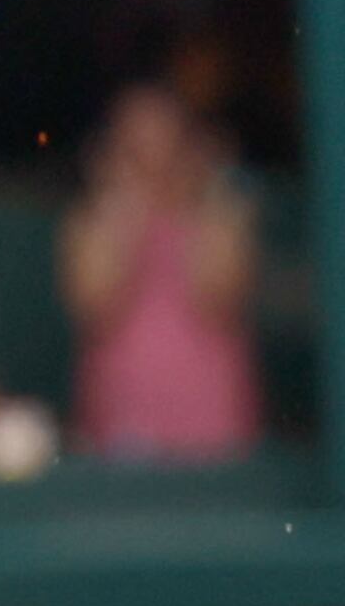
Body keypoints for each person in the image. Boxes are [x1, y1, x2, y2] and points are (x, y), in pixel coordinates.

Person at [60, 80, 259, 464]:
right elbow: (96, 308)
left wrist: (202, 203)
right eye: (136, 146)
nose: (153, 158)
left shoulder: (222, 216)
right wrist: (126, 218)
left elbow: (220, 300)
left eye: (166, 142)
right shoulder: (90, 222)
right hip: (124, 411)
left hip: (211, 412)